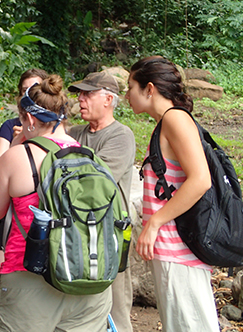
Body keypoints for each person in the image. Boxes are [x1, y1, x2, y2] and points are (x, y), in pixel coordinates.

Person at [0, 75, 112, 331]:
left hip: (29, 281)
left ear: (29, 118)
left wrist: (14, 147)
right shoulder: (89, 157)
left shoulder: (19, 156)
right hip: (88, 280)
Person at [126, 56, 219, 332]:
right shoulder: (166, 122)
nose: (127, 95)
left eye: (130, 87)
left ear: (150, 88)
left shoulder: (175, 119)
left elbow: (200, 180)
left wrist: (154, 223)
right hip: (171, 252)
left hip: (179, 252)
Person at [0, 68, 48, 332]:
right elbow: (1, 163)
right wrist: (19, 138)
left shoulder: (58, 133)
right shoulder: (10, 126)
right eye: (26, 90)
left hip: (45, 218)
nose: (31, 94)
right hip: (14, 213)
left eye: (37, 89)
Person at [68, 71, 136, 332]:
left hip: (110, 234)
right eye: (80, 94)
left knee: (115, 307)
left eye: (87, 94)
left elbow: (95, 181)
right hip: (76, 232)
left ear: (108, 99)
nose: (81, 100)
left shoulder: (121, 135)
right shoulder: (75, 132)